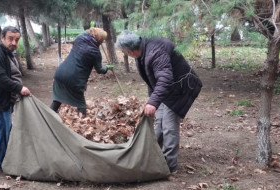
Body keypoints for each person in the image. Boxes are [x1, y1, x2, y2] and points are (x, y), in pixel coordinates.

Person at [115, 30, 202, 173]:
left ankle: (169, 166)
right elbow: (152, 79)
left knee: (169, 127)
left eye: (124, 52)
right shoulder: (142, 50)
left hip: (180, 89)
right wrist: (153, 100)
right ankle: (154, 156)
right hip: (168, 89)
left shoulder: (155, 53)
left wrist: (153, 102)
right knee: (159, 123)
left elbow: (164, 79)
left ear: (130, 51)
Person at [0, 26, 31, 170]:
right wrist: (19, 88)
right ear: (2, 37)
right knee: (1, 134)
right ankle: (2, 164)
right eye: (10, 38)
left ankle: (7, 160)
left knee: (6, 131)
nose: (14, 42)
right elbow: (0, 78)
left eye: (17, 40)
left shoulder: (8, 53)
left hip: (4, 99)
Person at [50, 27, 113, 115]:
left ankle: (48, 118)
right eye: (103, 40)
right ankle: (82, 123)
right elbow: (99, 70)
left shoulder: (80, 39)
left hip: (60, 73)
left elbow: (87, 35)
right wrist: (107, 68)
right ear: (100, 40)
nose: (103, 42)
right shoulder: (96, 53)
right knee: (81, 104)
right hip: (74, 80)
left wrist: (92, 29)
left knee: (57, 99)